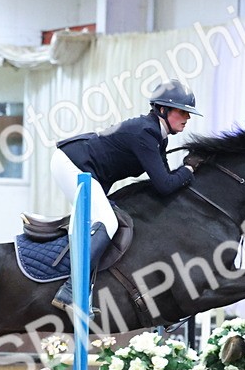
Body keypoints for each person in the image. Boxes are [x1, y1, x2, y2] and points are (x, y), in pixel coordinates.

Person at [49, 79, 203, 310]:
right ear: (163, 109)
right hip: (72, 163)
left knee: (106, 219)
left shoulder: (157, 136)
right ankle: (70, 290)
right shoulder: (146, 133)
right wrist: (189, 169)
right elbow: (165, 184)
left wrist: (183, 173)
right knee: (108, 222)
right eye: (182, 112)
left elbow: (166, 181)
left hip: (87, 169)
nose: (187, 118)